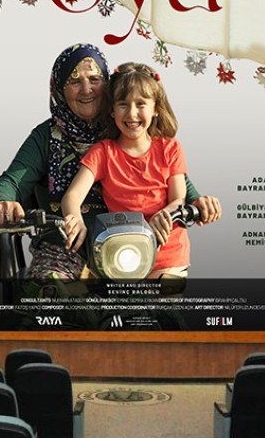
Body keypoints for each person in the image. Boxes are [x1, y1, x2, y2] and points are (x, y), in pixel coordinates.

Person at [0, 42, 219, 279]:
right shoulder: (46, 137)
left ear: (107, 85)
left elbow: (171, 179)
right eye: (74, 81)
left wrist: (199, 202)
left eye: (95, 79)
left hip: (128, 249)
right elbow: (12, 181)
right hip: (67, 246)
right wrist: (2, 201)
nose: (86, 89)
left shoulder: (126, 128)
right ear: (59, 88)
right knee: (51, 289)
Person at [61, 63, 191, 278]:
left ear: (156, 108)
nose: (132, 113)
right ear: (112, 110)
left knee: (163, 295)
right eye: (123, 104)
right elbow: (72, 197)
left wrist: (164, 215)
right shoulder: (103, 152)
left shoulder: (170, 149)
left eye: (141, 104)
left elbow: (179, 199)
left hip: (167, 256)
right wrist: (76, 221)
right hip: (121, 257)